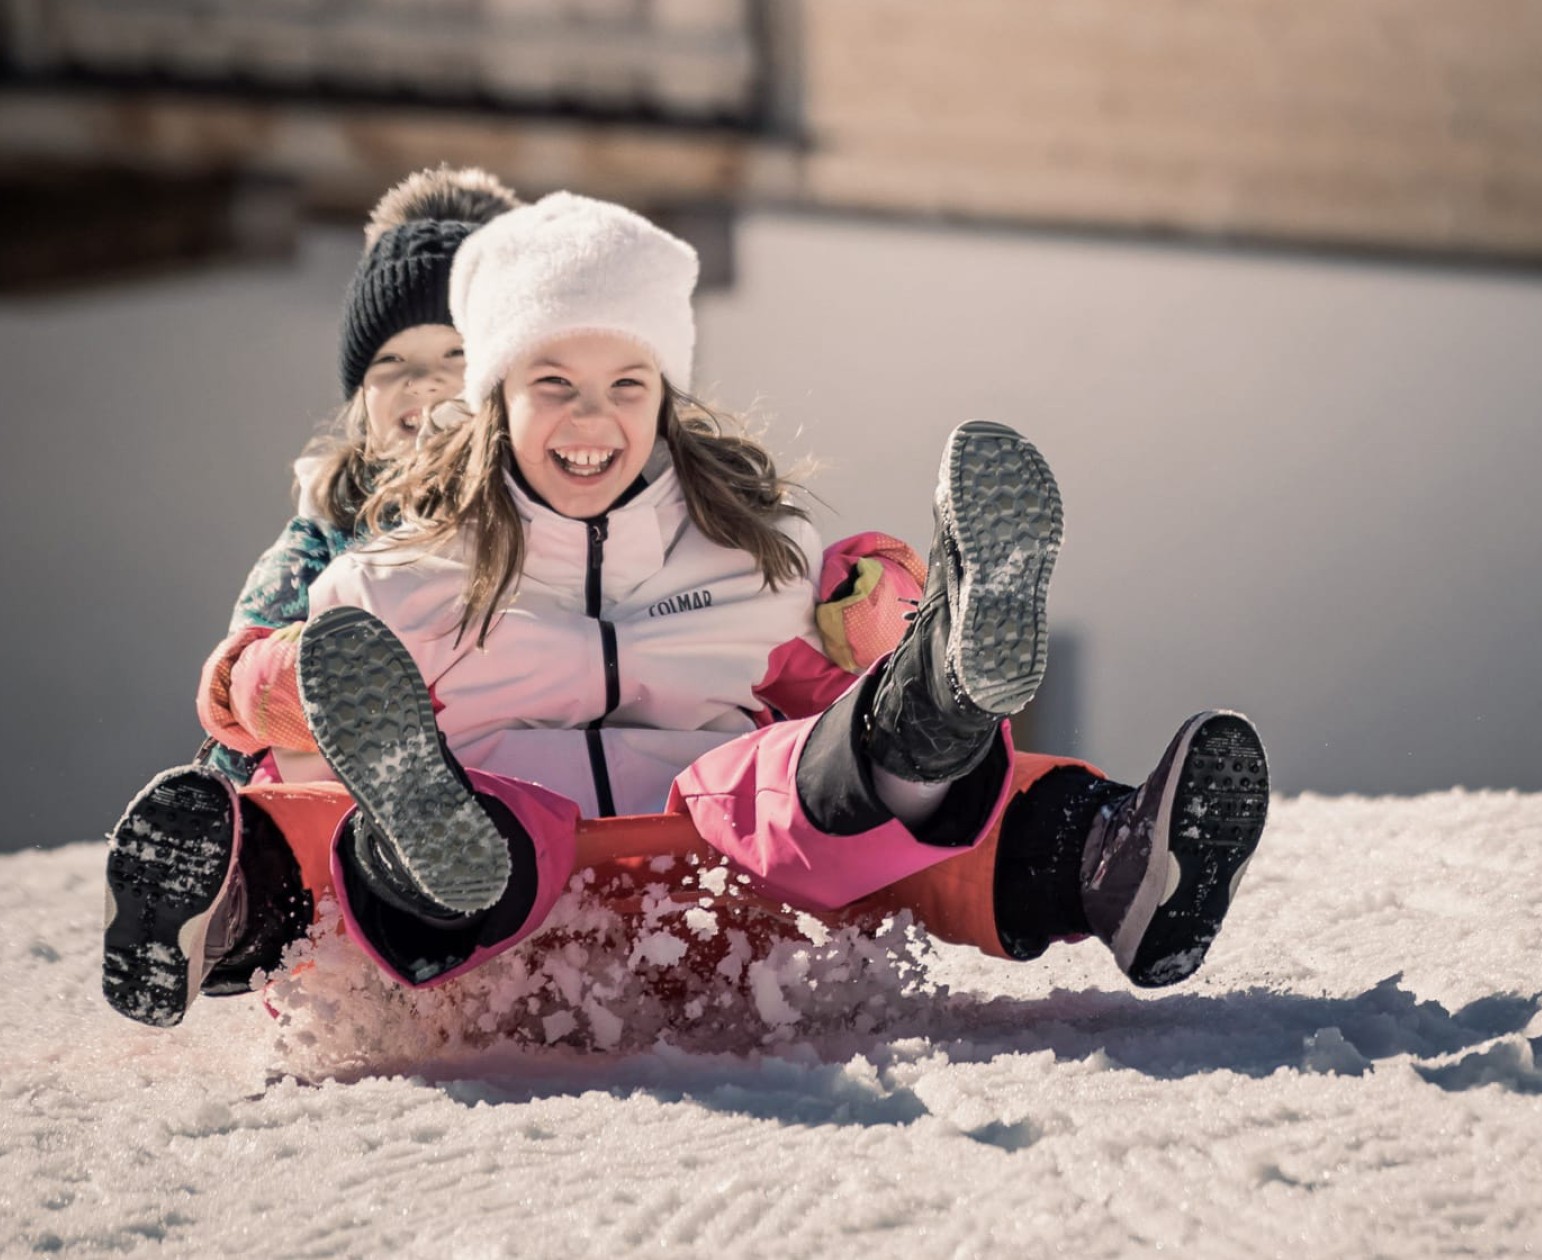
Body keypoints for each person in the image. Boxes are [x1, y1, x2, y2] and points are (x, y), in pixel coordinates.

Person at [120, 192, 1269, 1028]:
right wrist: (292, 678)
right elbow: (277, 708)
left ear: (667, 399)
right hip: (500, 919)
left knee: (817, 781)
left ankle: (1036, 782)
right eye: (550, 383)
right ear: (495, 403)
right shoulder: (391, 574)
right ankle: (301, 880)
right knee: (395, 821)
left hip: (724, 888)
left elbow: (820, 687)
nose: (592, 416)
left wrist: (888, 645)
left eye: (627, 385)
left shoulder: (750, 559)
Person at [101, 166, 525, 1024]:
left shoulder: (544, 502)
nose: (422, 386)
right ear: (359, 398)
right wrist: (217, 789)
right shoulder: (331, 524)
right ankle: (221, 913)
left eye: (454, 357)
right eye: (391, 365)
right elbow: (243, 666)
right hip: (348, 782)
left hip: (500, 776)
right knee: (294, 759)